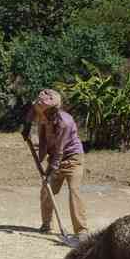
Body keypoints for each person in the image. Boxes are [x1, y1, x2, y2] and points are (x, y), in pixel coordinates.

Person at [21, 89, 88, 235]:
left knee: (74, 191)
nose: (41, 114)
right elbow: (32, 111)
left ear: (53, 110)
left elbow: (59, 151)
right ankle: (46, 225)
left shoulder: (65, 123)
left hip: (72, 158)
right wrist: (27, 125)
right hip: (55, 158)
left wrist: (50, 169)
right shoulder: (41, 111)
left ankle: (81, 231)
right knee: (46, 191)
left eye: (44, 111)